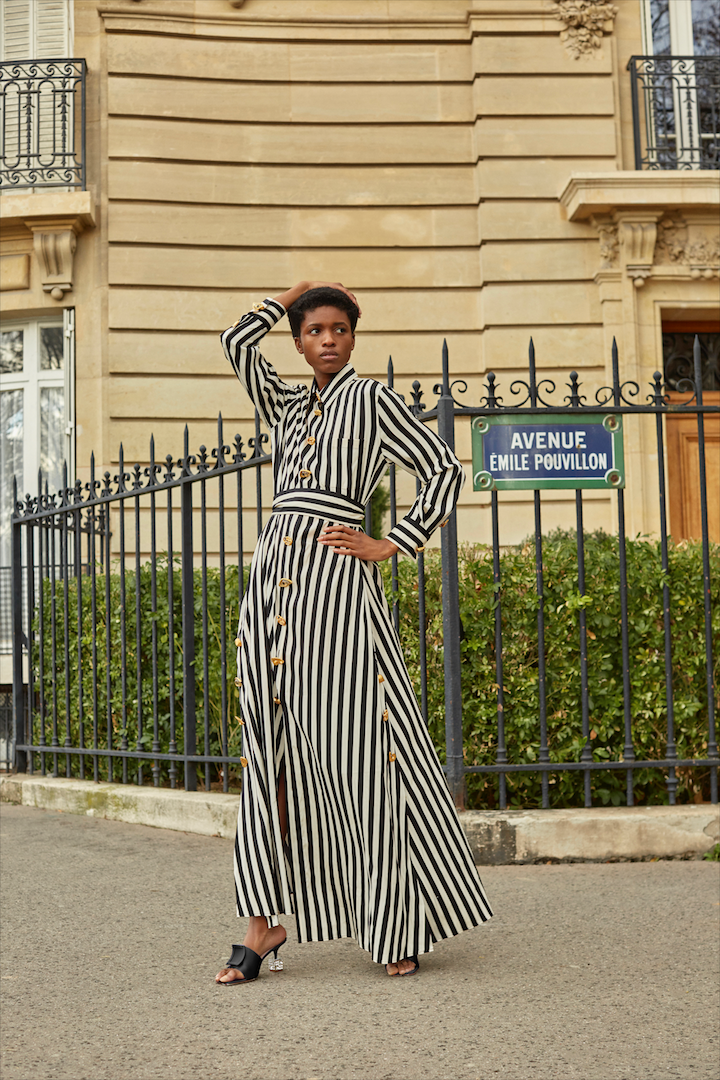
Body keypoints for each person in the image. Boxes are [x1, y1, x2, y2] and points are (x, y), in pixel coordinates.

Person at [215, 281, 493, 984]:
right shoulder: (283, 401)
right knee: (268, 753)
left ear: (354, 336)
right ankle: (261, 925)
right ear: (300, 339)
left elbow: (441, 469)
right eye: (314, 330)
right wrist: (284, 299)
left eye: (339, 328)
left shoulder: (371, 401)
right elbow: (233, 343)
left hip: (337, 589)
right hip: (271, 582)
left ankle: (395, 920)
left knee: (357, 751)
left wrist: (392, 540)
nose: (328, 339)